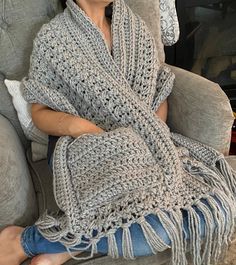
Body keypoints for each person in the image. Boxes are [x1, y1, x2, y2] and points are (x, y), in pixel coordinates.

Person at [0, 0, 228, 265]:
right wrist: (79, 127)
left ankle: (58, 246)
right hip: (85, 148)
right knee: (157, 229)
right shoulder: (54, 39)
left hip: (145, 143)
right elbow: (39, 111)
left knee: (216, 208)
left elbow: (158, 91)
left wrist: (149, 135)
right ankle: (26, 242)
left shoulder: (135, 29)